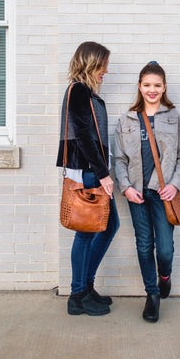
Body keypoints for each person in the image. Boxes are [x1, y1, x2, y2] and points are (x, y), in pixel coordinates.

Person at [115, 61, 180, 322]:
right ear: (139, 86)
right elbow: (119, 160)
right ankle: (152, 295)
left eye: (157, 85)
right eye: (147, 85)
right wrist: (125, 188)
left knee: (165, 250)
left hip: (162, 194)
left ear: (164, 87)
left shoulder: (174, 118)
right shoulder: (126, 119)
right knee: (144, 245)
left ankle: (165, 275)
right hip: (136, 194)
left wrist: (174, 184)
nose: (152, 90)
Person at [57, 41, 119, 316]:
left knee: (107, 226)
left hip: (91, 169)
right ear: (91, 63)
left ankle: (86, 287)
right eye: (103, 64)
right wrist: (103, 174)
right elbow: (83, 135)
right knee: (87, 231)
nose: (106, 70)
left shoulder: (84, 92)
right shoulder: (78, 90)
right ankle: (78, 294)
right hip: (87, 172)